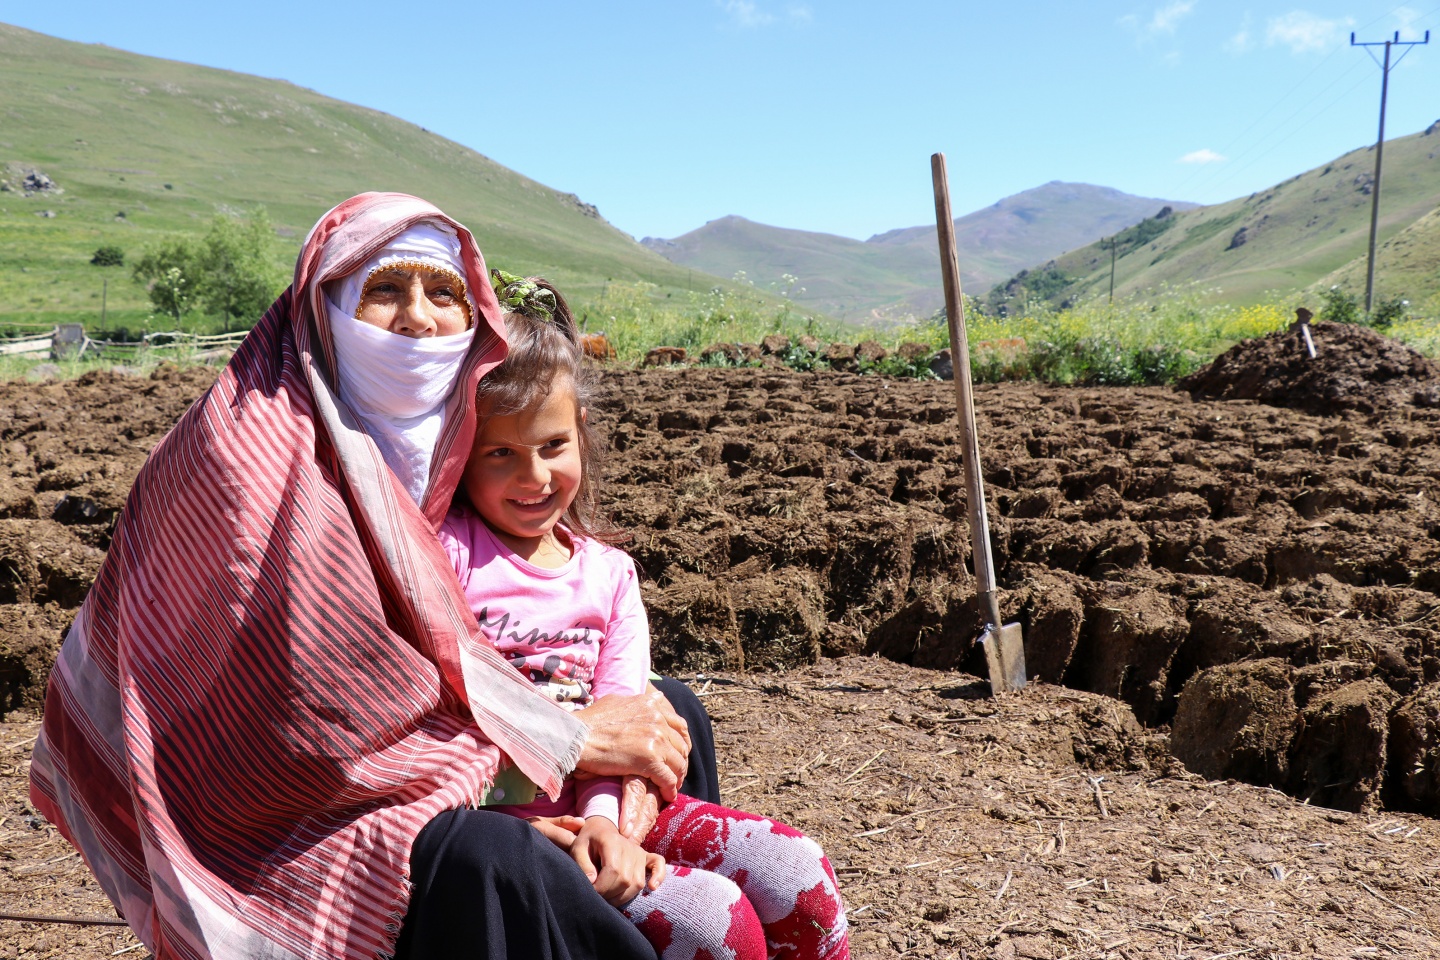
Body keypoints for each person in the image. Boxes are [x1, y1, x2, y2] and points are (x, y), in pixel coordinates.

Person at [28, 192, 710, 960]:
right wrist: (557, 743)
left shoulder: (446, 433)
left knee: (669, 714)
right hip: (293, 810)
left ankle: (649, 887)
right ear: (325, 312)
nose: (418, 317)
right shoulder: (251, 454)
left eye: (443, 292)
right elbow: (311, 715)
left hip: (453, 761)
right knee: (496, 861)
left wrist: (584, 775)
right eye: (385, 290)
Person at [433, 272, 850, 960]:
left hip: (610, 814)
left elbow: (622, 712)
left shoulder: (609, 574)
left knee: (799, 874)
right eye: (500, 454)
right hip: (512, 832)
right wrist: (544, 830)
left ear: (581, 433)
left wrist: (610, 824)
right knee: (716, 925)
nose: (534, 477)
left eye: (552, 447)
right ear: (461, 453)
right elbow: (442, 715)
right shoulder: (445, 557)